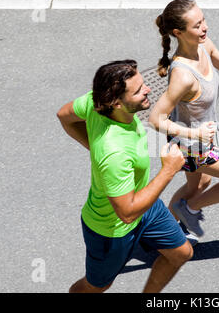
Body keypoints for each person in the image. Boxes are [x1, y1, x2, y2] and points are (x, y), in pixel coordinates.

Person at [57, 60, 193, 293]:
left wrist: (92, 148)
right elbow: (127, 213)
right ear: (116, 103)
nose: (148, 89)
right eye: (139, 90)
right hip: (112, 229)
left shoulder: (95, 101)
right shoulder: (115, 154)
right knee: (96, 286)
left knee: (181, 252)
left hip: (144, 204)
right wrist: (169, 170)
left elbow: (63, 115)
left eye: (143, 84)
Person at [149, 0, 219, 238]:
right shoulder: (183, 75)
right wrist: (196, 134)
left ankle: (165, 235)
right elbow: (155, 119)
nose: (204, 28)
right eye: (197, 25)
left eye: (203, 20)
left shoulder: (204, 45)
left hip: (200, 139)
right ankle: (190, 210)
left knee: (199, 185)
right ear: (178, 33)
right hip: (193, 146)